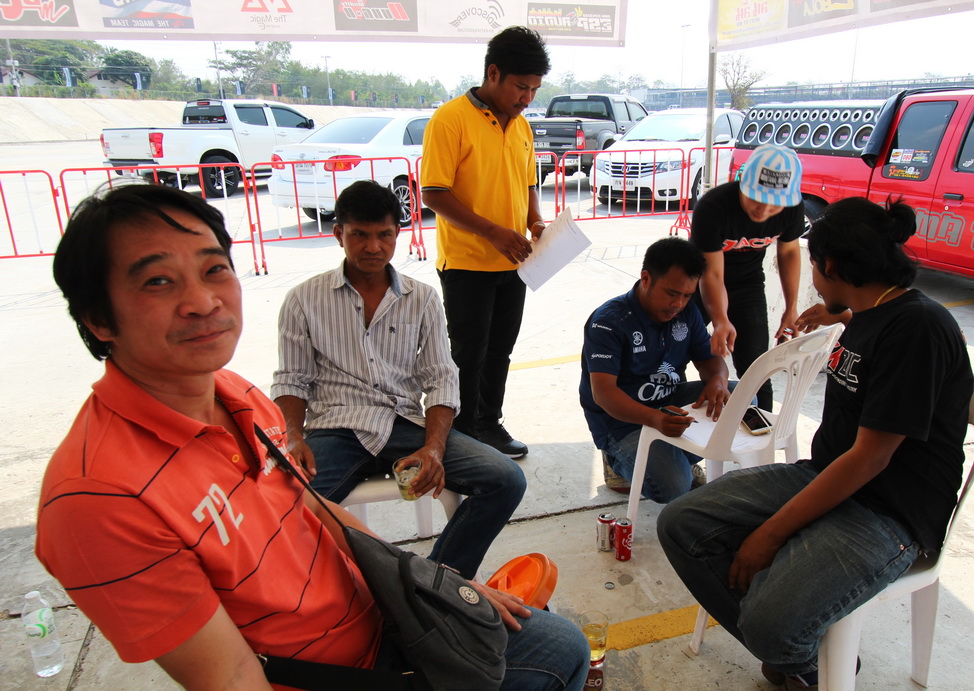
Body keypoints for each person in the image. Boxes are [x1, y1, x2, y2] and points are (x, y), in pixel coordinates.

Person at [36, 182, 590, 691]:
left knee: (515, 512)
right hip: (338, 644)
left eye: (214, 269)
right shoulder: (98, 498)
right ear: (97, 318)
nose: (203, 301)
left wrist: (434, 588)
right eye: (158, 281)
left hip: (392, 510)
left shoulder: (237, 395)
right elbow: (231, 677)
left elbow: (322, 505)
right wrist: (296, 434)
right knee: (559, 656)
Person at [658, 197, 974, 689]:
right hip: (826, 475)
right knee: (682, 523)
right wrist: (839, 317)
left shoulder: (919, 328)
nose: (812, 278)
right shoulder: (870, 311)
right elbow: (871, 351)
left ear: (831, 267)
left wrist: (771, 535)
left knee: (768, 623)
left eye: (813, 264)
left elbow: (871, 458)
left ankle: (789, 643)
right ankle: (800, 655)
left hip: (889, 510)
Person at [271, 180, 526, 581]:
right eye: (360, 235)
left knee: (506, 480)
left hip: (405, 425)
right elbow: (291, 379)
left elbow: (441, 378)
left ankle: (435, 584)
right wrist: (293, 437)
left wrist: (434, 448)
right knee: (281, 514)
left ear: (397, 234)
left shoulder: (421, 298)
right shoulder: (303, 300)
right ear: (339, 234)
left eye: (384, 235)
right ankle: (340, 596)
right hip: (335, 430)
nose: (373, 247)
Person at [420, 26, 551, 459]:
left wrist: (535, 221)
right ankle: (461, 436)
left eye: (534, 89)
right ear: (493, 73)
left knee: (500, 352)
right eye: (520, 87)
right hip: (467, 263)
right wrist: (492, 231)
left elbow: (527, 183)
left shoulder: (522, 126)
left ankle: (489, 425)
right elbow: (434, 193)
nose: (527, 98)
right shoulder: (450, 119)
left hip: (514, 262)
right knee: (466, 356)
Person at [579, 236, 732, 503]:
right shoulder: (609, 321)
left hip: (669, 402)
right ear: (646, 278)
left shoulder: (687, 312)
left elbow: (709, 359)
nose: (679, 304)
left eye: (687, 296)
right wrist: (655, 419)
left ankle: (674, 457)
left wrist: (718, 380)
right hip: (622, 423)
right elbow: (603, 394)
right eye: (672, 293)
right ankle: (617, 459)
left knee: (740, 398)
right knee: (674, 485)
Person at [692, 143, 806, 411]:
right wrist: (720, 319)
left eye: (774, 205)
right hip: (697, 282)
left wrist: (791, 308)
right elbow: (712, 273)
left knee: (756, 368)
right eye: (756, 198)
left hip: (748, 284)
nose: (763, 211)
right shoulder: (714, 206)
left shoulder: (792, 208)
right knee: (673, 355)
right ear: (742, 182)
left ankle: (762, 429)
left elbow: (789, 252)